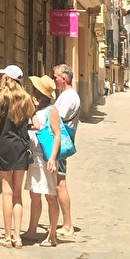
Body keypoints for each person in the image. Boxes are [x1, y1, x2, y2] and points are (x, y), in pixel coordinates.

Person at [0, 64, 35, 249]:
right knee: (17, 194)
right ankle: (18, 237)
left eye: (3, 76)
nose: (1, 78)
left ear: (7, 78)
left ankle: (7, 237)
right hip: (21, 148)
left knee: (6, 193)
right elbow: (35, 123)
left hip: (5, 147)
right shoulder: (27, 99)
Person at [22, 75, 61, 247]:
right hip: (35, 158)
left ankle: (52, 235)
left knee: (50, 196)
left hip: (46, 158)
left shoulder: (51, 110)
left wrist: (52, 157)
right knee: (34, 194)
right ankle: (32, 230)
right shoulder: (35, 110)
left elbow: (57, 134)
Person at [52, 63, 81, 240]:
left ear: (63, 78)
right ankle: (63, 223)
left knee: (60, 183)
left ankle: (67, 225)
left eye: (56, 77)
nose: (54, 80)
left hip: (60, 144)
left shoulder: (68, 97)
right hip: (61, 142)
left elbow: (57, 118)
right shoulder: (67, 95)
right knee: (58, 182)